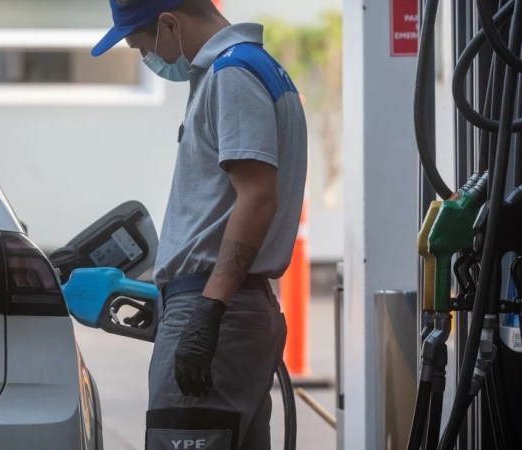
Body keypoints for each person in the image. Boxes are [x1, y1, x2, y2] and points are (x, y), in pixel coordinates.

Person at [92, 0, 307, 448]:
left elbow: (257, 197)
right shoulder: (254, 69)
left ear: (170, 23)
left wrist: (207, 312)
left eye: (143, 46)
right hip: (227, 306)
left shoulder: (232, 75)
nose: (149, 59)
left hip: (216, 308)